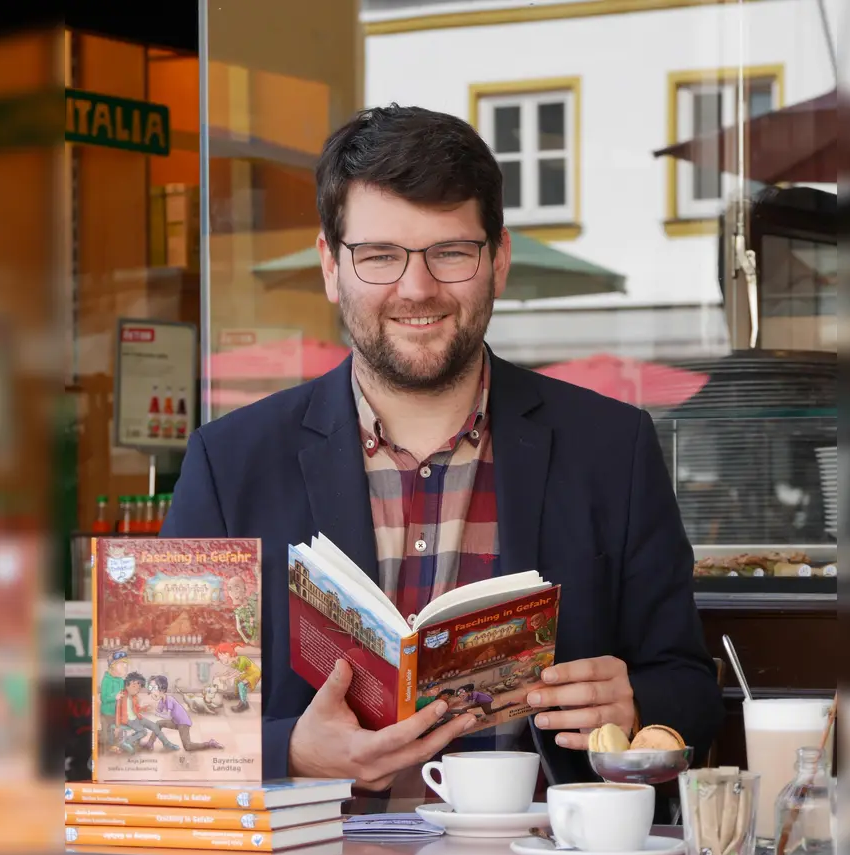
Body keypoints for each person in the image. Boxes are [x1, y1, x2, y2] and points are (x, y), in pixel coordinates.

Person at [161, 104, 721, 803]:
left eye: (450, 253)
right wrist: (292, 752)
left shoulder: (614, 447)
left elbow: (689, 688)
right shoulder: (228, 463)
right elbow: (158, 720)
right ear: (332, 267)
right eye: (379, 256)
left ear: (499, 261)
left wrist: (636, 704)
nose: (417, 288)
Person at [145, 674, 225, 753]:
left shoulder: (169, 699)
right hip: (175, 722)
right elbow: (158, 711)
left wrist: (157, 713)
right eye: (150, 688)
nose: (152, 691)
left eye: (154, 688)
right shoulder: (161, 701)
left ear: (162, 689)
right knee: (158, 723)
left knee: (188, 747)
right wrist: (150, 709)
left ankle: (210, 743)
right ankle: (150, 743)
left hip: (183, 723)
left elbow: (168, 716)